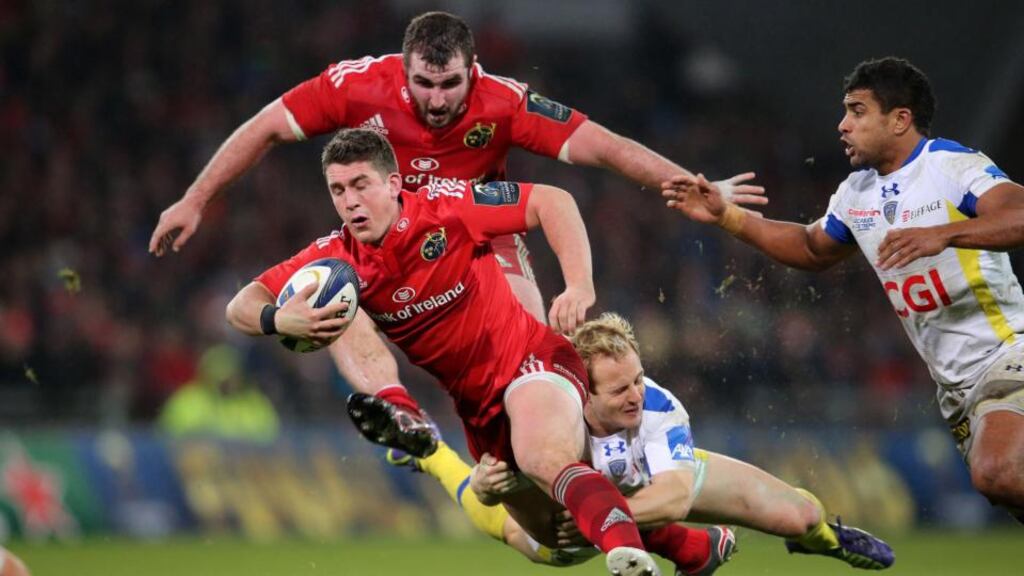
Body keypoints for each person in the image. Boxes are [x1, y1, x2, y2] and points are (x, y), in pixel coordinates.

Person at [151, 11, 765, 457]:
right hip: (385, 238)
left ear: (473, 70)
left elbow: (602, 146)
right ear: (404, 70)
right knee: (331, 292)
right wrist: (195, 199)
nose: (438, 98)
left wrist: (687, 183)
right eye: (425, 83)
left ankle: (623, 443)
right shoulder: (356, 85)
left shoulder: (504, 102)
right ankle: (400, 414)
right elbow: (266, 126)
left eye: (451, 84)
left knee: (533, 370)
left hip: (477, 236)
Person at [226, 128, 665, 575]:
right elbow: (240, 305)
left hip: (532, 360)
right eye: (338, 190)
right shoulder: (338, 258)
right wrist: (276, 319)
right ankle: (691, 549)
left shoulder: (447, 206)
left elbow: (553, 201)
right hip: (479, 412)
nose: (350, 202)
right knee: (554, 538)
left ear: (393, 183)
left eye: (361, 185)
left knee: (543, 458)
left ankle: (631, 557)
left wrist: (579, 285)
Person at [663, 56, 1024, 523]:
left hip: (1007, 349)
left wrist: (944, 233)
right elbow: (810, 248)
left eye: (857, 111)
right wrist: (727, 217)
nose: (843, 125)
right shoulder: (857, 193)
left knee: (996, 472)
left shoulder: (950, 166)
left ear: (899, 119)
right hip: (955, 385)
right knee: (1008, 490)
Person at [388, 313, 894, 573]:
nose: (636, 394)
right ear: (582, 392)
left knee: (800, 515)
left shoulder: (656, 405)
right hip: (569, 518)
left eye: (638, 378)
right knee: (530, 537)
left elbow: (675, 496)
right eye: (619, 389)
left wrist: (601, 516)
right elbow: (499, 487)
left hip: (653, 478)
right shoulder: (549, 414)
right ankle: (431, 453)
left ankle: (825, 540)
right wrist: (485, 484)